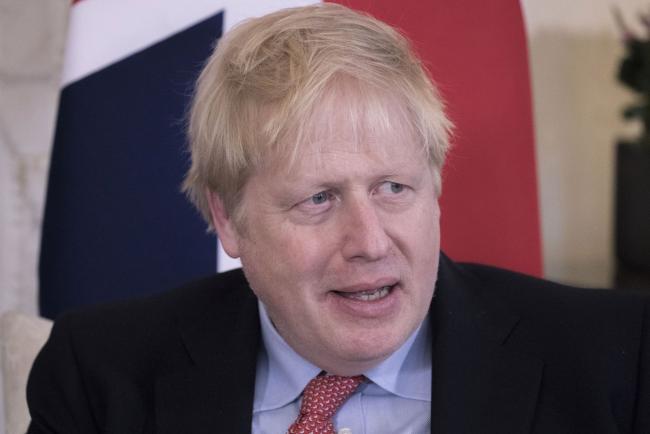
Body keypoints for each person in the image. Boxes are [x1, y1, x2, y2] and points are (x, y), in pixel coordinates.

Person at [27, 4, 649, 434]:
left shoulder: (615, 363)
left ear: (434, 186)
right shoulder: (100, 376)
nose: (371, 242)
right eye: (319, 199)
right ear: (229, 217)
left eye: (393, 188)